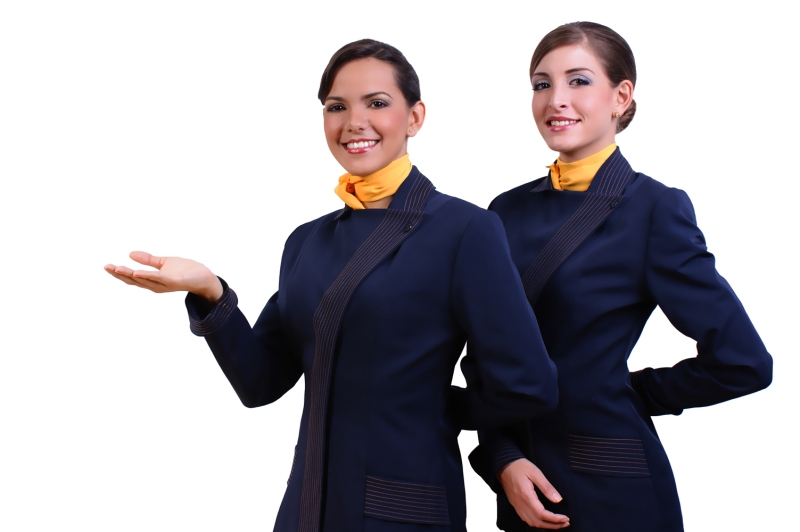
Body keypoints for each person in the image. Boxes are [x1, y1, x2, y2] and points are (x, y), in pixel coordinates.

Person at [104, 39, 558, 532]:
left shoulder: (464, 230)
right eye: (336, 107)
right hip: (306, 508)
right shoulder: (307, 241)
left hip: (403, 511)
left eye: (377, 103)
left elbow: (528, 386)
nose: (353, 122)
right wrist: (210, 291)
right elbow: (260, 383)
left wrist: (435, 405)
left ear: (415, 117)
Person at [468, 22, 773, 532]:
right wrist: (501, 456)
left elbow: (743, 362)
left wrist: (622, 393)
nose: (556, 100)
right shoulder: (503, 212)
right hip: (523, 488)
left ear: (621, 96)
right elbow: (484, 356)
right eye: (542, 84)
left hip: (614, 490)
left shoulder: (653, 209)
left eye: (579, 81)